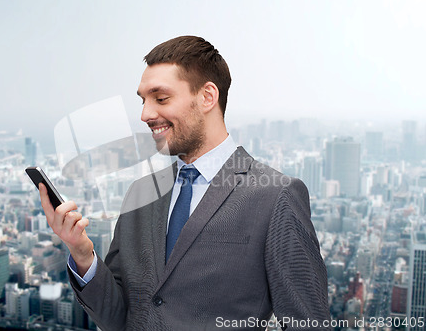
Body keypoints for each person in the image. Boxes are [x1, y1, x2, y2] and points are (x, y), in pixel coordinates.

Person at [39, 36, 330, 330]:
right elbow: (120, 317)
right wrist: (82, 253)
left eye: (161, 98)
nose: (145, 114)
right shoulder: (142, 192)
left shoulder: (275, 195)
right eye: (143, 100)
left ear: (207, 97)